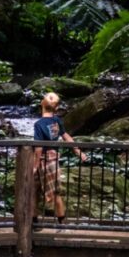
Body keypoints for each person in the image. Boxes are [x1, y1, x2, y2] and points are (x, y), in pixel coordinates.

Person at [33, 92, 87, 225]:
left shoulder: (39, 124)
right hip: (54, 159)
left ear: (42, 103)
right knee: (55, 191)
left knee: (35, 192)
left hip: (44, 160)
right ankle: (61, 221)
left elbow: (39, 147)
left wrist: (34, 166)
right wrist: (78, 151)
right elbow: (66, 136)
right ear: (56, 108)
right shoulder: (57, 121)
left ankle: (33, 221)